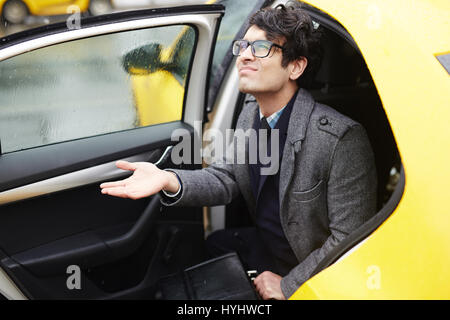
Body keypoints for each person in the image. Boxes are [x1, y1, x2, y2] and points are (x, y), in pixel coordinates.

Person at [100, 3, 377, 300]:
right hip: (265, 248)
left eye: (260, 48)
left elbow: (350, 240)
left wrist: (288, 284)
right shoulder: (250, 113)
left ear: (296, 66)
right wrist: (168, 179)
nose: (244, 55)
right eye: (243, 46)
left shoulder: (340, 139)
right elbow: (228, 177)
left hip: (308, 271)